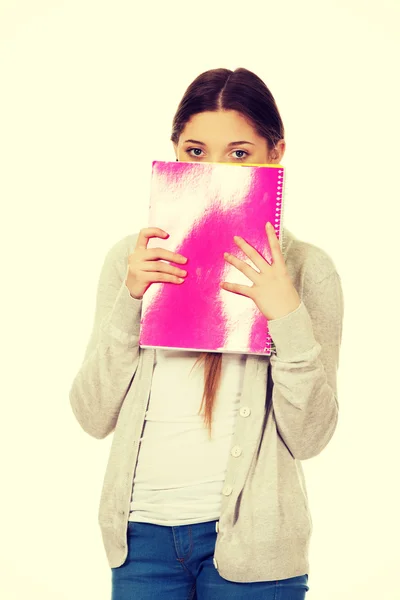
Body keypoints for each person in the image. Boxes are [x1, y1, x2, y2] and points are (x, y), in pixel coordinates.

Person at [69, 67, 344, 600]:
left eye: (239, 153)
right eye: (195, 151)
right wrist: (130, 302)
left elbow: (310, 437)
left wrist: (285, 313)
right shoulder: (131, 260)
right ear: (174, 152)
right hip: (141, 542)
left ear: (275, 153)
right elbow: (91, 414)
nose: (215, 168)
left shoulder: (309, 269)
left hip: (255, 551)